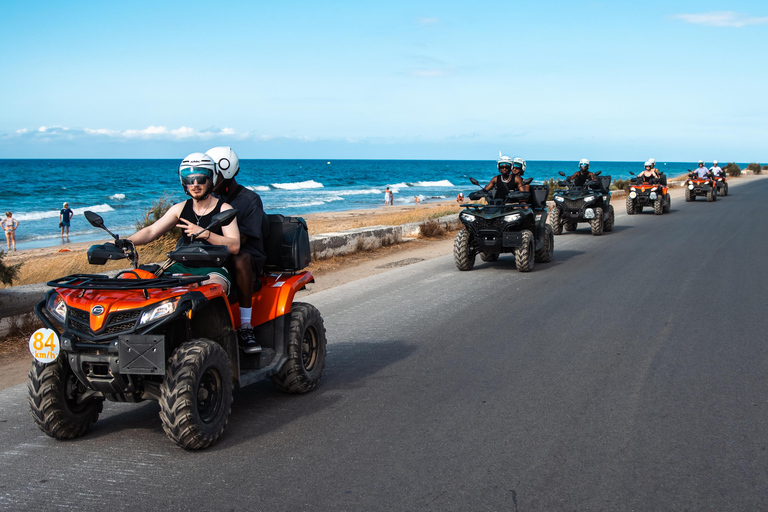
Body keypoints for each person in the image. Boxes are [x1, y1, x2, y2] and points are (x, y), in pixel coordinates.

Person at [126, 153, 240, 294]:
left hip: (213, 268)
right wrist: (126, 242)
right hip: (180, 266)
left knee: (213, 289)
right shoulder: (179, 208)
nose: (195, 185)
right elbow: (151, 231)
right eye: (189, 180)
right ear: (183, 182)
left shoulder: (224, 208)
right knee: (139, 287)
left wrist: (206, 234)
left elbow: (234, 246)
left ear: (211, 179)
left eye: (201, 179)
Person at [206, 146, 268, 353]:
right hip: (215, 255)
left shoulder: (250, 200)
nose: (209, 181)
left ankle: (245, 326)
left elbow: (240, 240)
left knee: (239, 258)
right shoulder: (209, 200)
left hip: (247, 257)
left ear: (227, 173)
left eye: (213, 176)